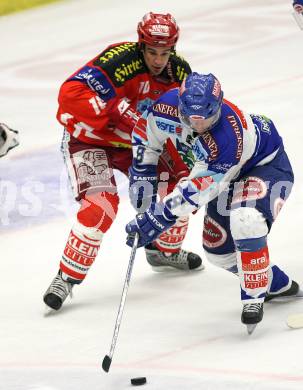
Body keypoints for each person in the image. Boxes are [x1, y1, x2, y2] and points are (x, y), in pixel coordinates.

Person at [43, 13, 204, 312]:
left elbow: (183, 122)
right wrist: (117, 109)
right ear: (141, 45)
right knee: (100, 206)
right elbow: (69, 93)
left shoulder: (179, 72)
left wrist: (184, 159)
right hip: (90, 140)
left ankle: (162, 252)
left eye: (164, 53)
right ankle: (66, 277)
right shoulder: (118, 59)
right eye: (152, 52)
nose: (158, 60)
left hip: (138, 146)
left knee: (182, 191)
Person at [125, 72, 303, 334]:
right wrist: (142, 171)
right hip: (222, 176)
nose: (198, 126)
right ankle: (275, 283)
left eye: (206, 118)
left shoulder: (228, 137)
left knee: (246, 219)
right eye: (191, 119)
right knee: (218, 251)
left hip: (264, 166)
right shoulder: (167, 105)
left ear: (219, 106)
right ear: (181, 106)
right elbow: (146, 133)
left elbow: (197, 190)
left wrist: (157, 218)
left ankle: (254, 296)